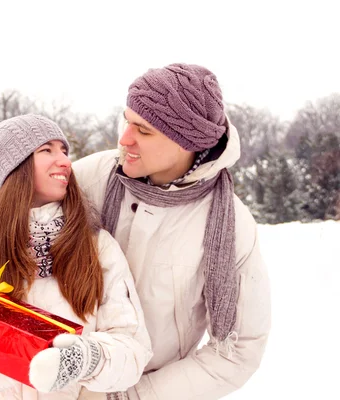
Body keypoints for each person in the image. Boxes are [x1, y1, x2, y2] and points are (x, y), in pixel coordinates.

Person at [0, 114, 153, 399]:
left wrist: (83, 360)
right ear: (13, 168)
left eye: (64, 150)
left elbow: (133, 350)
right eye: (46, 150)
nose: (65, 161)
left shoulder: (96, 246)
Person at [72, 63, 272, 400]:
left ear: (186, 142)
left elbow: (239, 350)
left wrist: (137, 396)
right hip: (58, 384)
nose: (124, 139)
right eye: (126, 121)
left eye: (144, 131)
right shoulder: (90, 179)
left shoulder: (230, 224)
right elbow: (7, 222)